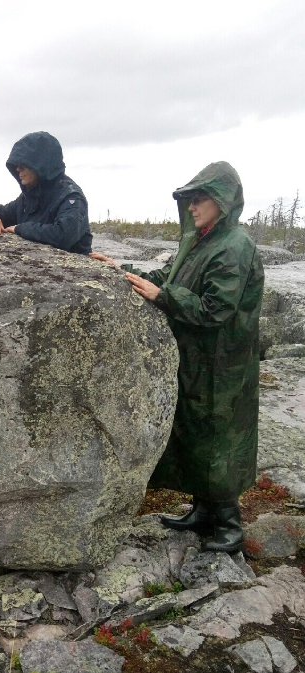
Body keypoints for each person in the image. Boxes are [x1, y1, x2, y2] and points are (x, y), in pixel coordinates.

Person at [92, 161, 264, 552]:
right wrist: (122, 270)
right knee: (197, 433)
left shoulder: (235, 246)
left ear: (222, 201)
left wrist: (164, 296)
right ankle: (203, 511)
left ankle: (230, 525)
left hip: (223, 365)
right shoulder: (200, 240)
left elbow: (216, 309)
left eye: (200, 198)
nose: (192, 206)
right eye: (190, 199)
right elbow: (166, 279)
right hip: (196, 359)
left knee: (219, 438)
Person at [0, 131, 92, 254]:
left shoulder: (71, 197)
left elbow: (63, 235)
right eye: (17, 164)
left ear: (40, 164)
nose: (18, 169)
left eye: (23, 164)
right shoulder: (28, 198)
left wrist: (20, 229)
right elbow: (2, 212)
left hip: (69, 265)